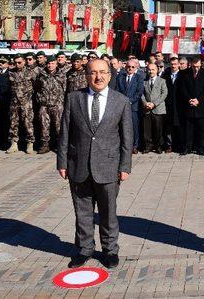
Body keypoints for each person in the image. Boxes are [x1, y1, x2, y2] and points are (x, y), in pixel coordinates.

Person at [57, 59, 133, 269]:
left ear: (109, 75)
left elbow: (127, 138)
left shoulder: (121, 101)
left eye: (102, 72)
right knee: (82, 212)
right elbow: (65, 133)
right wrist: (62, 162)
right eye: (93, 73)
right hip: (78, 165)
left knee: (108, 213)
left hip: (109, 167)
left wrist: (125, 166)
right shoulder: (73, 99)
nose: (98, 77)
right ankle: (84, 249)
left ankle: (110, 250)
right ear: (86, 75)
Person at [177, 57, 204, 155]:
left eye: (198, 66)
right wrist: (189, 99)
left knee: (200, 129)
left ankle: (200, 147)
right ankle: (187, 147)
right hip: (188, 105)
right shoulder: (184, 73)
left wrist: (198, 100)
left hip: (200, 106)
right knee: (188, 128)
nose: (196, 69)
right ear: (191, 64)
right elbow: (182, 88)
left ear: (201, 65)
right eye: (194, 66)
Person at [34, 57, 66, 154]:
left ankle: (60, 146)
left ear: (56, 64)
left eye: (52, 63)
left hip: (57, 105)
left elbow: (65, 89)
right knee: (44, 126)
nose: (50, 65)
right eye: (48, 63)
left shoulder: (61, 75)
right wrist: (40, 99)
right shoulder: (41, 75)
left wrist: (60, 100)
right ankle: (45, 145)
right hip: (44, 105)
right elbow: (37, 89)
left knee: (59, 127)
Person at [7, 54, 37, 154]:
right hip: (14, 103)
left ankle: (30, 144)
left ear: (24, 62)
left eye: (19, 62)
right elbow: (9, 87)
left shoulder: (30, 72)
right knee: (13, 124)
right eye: (15, 63)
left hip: (27, 103)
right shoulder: (11, 73)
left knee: (28, 124)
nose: (17, 64)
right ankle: (14, 143)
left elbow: (36, 86)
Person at [117, 60, 144, 154]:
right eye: (128, 66)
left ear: (136, 68)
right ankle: (124, 146)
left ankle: (135, 146)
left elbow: (139, 92)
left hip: (133, 107)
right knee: (123, 127)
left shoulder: (139, 78)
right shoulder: (120, 77)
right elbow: (117, 90)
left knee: (134, 127)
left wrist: (130, 101)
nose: (130, 68)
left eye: (133, 67)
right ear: (125, 67)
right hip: (122, 106)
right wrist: (123, 102)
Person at [140, 62, 167, 154]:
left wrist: (154, 104)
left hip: (158, 109)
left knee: (158, 129)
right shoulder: (144, 81)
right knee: (147, 129)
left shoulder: (162, 81)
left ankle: (158, 146)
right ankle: (148, 146)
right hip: (147, 108)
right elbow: (142, 94)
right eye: (149, 69)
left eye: (153, 69)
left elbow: (164, 94)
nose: (151, 71)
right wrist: (145, 103)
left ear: (157, 70)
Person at [161, 57, 182, 153]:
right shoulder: (165, 76)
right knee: (168, 126)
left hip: (179, 104)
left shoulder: (183, 75)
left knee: (179, 125)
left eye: (175, 64)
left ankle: (178, 145)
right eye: (172, 64)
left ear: (179, 65)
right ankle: (169, 145)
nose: (173, 66)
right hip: (168, 104)